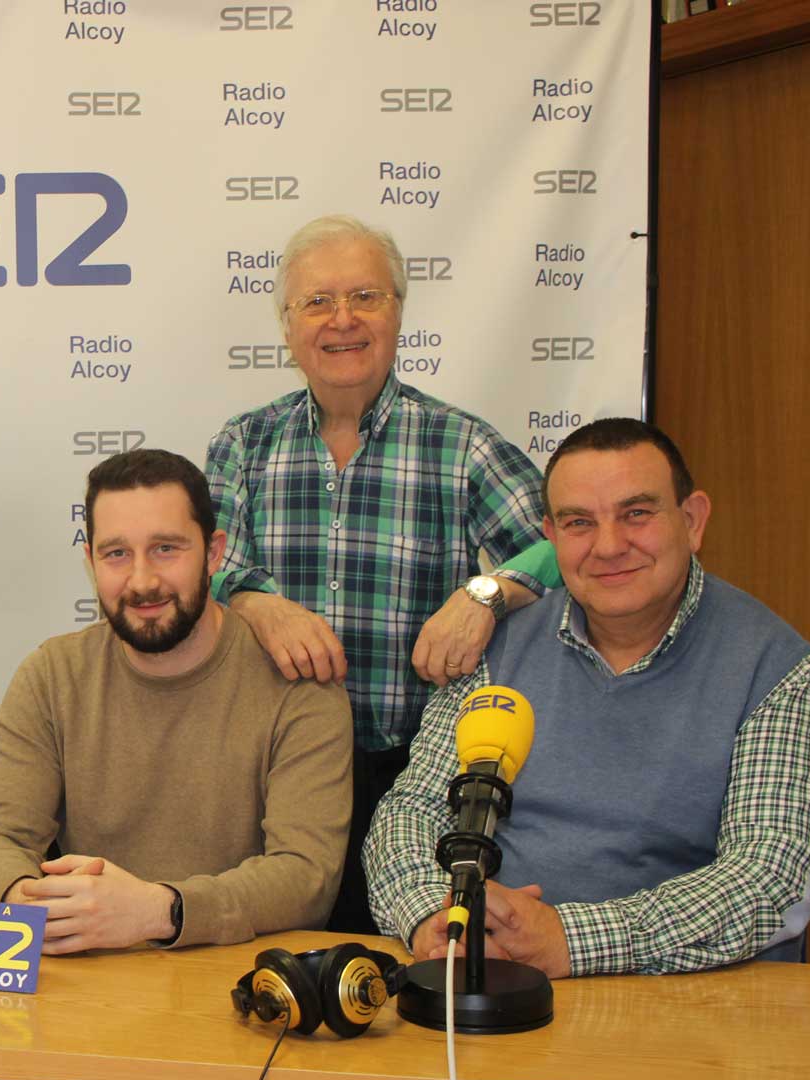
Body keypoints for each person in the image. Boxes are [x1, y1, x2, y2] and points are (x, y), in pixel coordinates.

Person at [333, 419, 810, 1080]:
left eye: (637, 513)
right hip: (488, 1003)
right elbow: (411, 809)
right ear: (550, 537)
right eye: (578, 523)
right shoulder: (494, 650)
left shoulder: (776, 667)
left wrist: (571, 937)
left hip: (677, 1031)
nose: (608, 545)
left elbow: (769, 878)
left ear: (692, 520)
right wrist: (432, 917)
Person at [0, 448, 352, 1080]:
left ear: (214, 552)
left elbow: (306, 877)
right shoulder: (51, 673)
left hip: (222, 1010)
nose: (140, 580)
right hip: (74, 1003)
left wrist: (160, 911)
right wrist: (27, 899)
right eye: (116, 554)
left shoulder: (298, 684)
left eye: (166, 548)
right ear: (90, 561)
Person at [205, 213, 558, 934]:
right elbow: (206, 566)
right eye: (317, 301)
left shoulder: (462, 445)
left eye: (365, 297)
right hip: (274, 774)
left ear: (398, 312)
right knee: (272, 958)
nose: (343, 320)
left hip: (413, 775)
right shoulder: (243, 444)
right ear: (287, 326)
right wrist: (259, 603)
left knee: (406, 959)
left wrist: (485, 593)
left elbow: (563, 547)